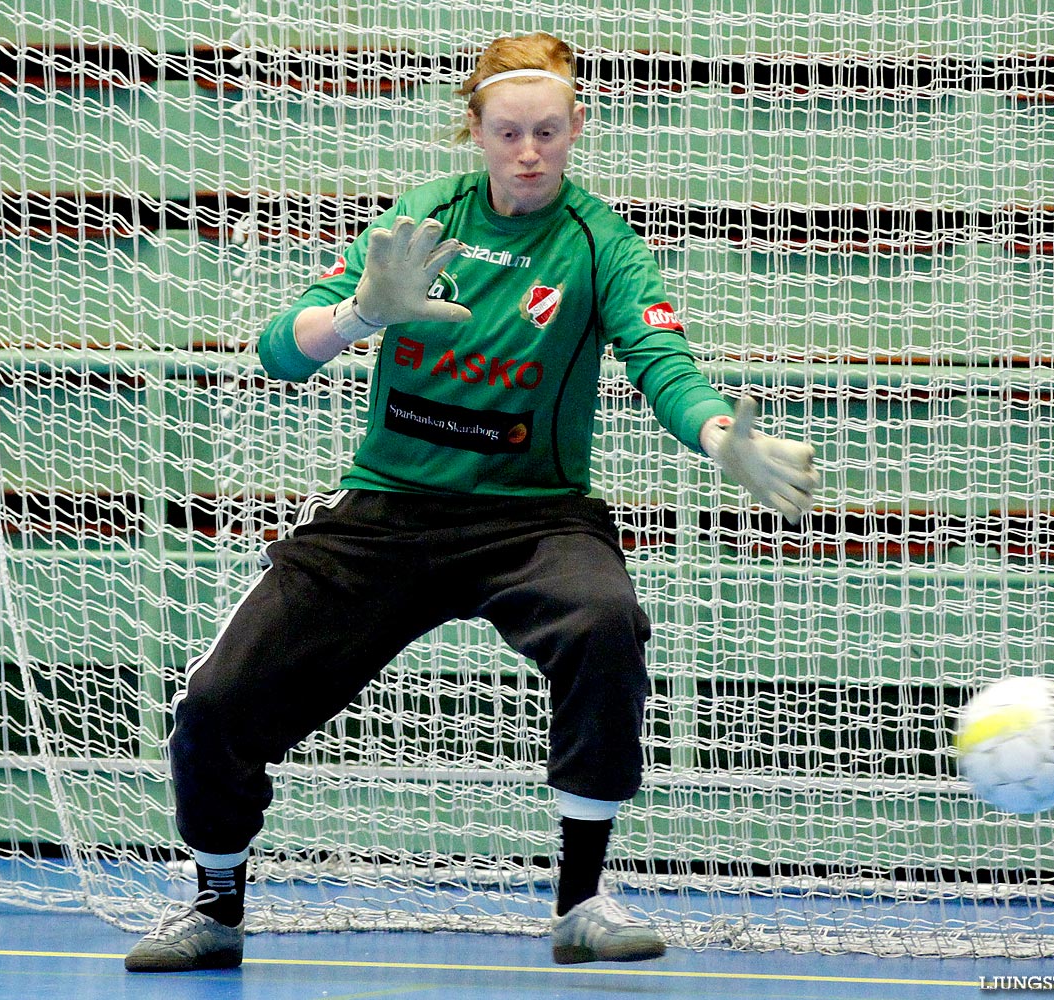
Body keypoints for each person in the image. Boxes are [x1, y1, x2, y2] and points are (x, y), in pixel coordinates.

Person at [124, 31, 816, 972]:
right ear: (477, 133)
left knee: (604, 621)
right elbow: (277, 352)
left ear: (577, 128)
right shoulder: (423, 219)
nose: (529, 152)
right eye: (507, 133)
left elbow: (666, 366)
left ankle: (581, 901)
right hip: (390, 511)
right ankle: (215, 904)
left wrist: (721, 436)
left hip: (533, 517)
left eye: (547, 132)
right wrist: (363, 312)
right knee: (216, 696)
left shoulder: (598, 244)